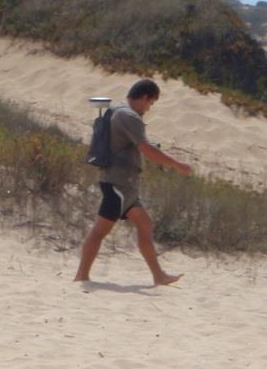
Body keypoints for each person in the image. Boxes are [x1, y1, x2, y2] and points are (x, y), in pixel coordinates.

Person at [74, 79, 191, 286]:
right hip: (118, 184)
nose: (149, 108)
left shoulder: (118, 108)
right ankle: (81, 276)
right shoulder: (129, 116)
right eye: (151, 103)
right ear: (145, 97)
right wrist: (176, 164)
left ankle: (159, 276)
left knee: (145, 223)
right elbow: (145, 148)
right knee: (99, 231)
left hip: (122, 184)